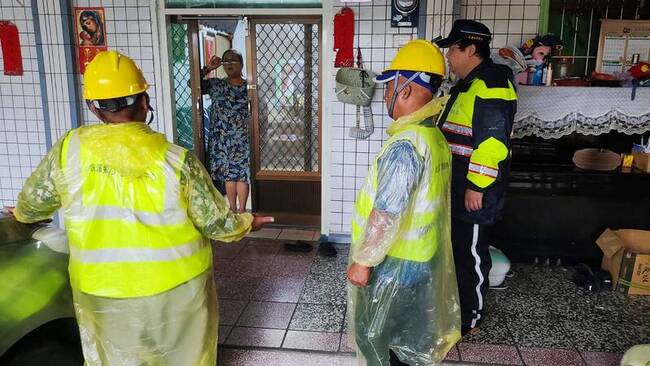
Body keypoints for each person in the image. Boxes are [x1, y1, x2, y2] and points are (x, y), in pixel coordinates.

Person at [12, 50, 273, 365]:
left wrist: (20, 216)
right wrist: (247, 222)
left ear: (94, 109)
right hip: (177, 291)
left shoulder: (68, 152)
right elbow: (217, 224)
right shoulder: (177, 162)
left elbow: (31, 206)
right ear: (144, 102)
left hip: (102, 291)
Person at [346, 40, 461, 366]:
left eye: (389, 88)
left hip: (393, 265)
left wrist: (364, 262)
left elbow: (388, 211)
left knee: (377, 341)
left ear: (407, 89)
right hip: (421, 258)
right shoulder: (434, 138)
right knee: (403, 343)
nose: (385, 96)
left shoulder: (406, 145)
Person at [435, 20, 517, 335]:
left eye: (452, 49)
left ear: (470, 49)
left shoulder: (492, 83)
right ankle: (458, 307)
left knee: (470, 253)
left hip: (473, 188)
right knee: (457, 249)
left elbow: (493, 142)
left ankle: (471, 318)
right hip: (459, 184)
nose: (448, 56)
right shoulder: (469, 83)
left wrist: (477, 186)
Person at [201, 49, 250, 213]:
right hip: (222, 139)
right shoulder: (216, 84)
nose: (228, 63)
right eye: (225, 61)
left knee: (242, 175)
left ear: (241, 63)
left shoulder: (249, 87)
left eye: (233, 60)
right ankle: (232, 210)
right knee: (228, 176)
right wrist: (207, 68)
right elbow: (193, 84)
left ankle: (242, 211)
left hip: (243, 138)